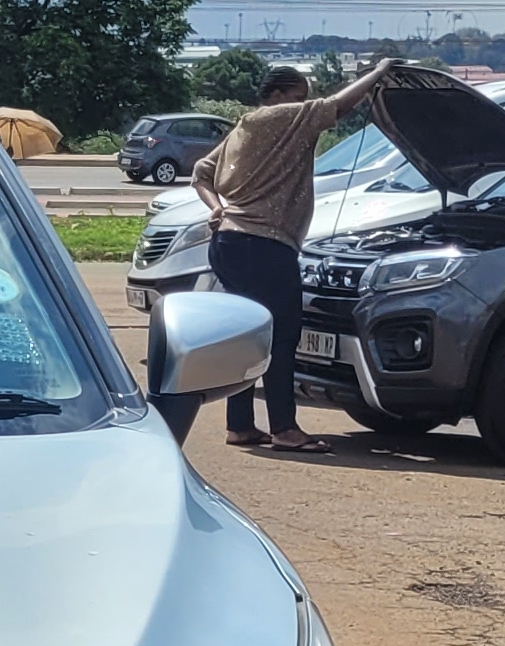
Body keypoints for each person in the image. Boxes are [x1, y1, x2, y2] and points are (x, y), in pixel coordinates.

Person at [157, 57, 400, 452]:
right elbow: (337, 107)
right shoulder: (281, 117)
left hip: (231, 243)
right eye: (297, 97)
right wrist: (377, 74)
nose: (302, 105)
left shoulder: (243, 127)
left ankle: (240, 424)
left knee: (246, 334)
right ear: (276, 95)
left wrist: (216, 208)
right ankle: (285, 428)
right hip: (265, 246)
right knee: (282, 336)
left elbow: (201, 172)